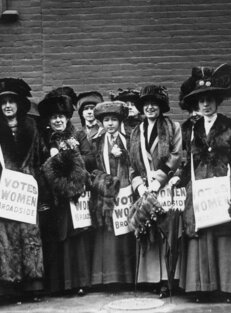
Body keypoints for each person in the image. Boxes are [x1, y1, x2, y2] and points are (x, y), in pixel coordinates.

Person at [174, 64, 231, 302]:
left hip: (223, 191)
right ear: (196, 104)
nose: (205, 105)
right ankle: (202, 288)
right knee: (201, 237)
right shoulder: (190, 130)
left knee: (222, 236)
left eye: (210, 100)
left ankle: (226, 288)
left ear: (216, 101)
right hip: (199, 192)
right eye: (201, 101)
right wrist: (178, 178)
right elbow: (186, 161)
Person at [0, 78, 44, 299]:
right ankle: (9, 286)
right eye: (3, 103)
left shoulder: (31, 127)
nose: (7, 106)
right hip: (5, 191)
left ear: (19, 104)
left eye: (11, 101)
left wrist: (38, 186)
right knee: (6, 237)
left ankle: (33, 284)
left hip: (27, 190)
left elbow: (38, 158)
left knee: (29, 236)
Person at [38, 87, 94, 295]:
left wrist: (72, 154)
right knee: (55, 238)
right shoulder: (44, 138)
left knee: (76, 238)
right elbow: (39, 163)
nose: (58, 120)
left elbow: (90, 159)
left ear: (67, 117)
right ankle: (57, 285)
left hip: (76, 194)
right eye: (54, 117)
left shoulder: (78, 134)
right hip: (53, 196)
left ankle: (78, 282)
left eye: (61, 116)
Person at [128, 85, 182, 298]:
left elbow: (176, 155)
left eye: (155, 104)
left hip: (165, 185)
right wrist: (139, 185)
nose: (150, 108)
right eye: (147, 104)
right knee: (147, 231)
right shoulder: (135, 131)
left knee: (164, 230)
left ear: (161, 107)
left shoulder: (172, 127)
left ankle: (166, 280)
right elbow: (131, 163)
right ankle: (150, 278)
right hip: (144, 187)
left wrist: (158, 180)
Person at [89, 101, 136, 287]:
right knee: (107, 233)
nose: (110, 124)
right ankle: (108, 277)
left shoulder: (129, 139)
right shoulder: (97, 141)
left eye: (114, 120)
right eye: (106, 120)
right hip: (106, 191)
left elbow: (136, 161)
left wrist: (123, 155)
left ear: (119, 121)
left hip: (125, 187)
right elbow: (93, 167)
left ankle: (126, 277)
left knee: (125, 232)